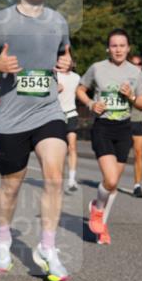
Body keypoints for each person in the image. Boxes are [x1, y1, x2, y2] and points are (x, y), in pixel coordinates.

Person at [0, 0, 73, 281]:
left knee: (54, 174)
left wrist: (66, 62)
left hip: (48, 110)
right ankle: (3, 240)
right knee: (11, 186)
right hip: (13, 116)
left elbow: (64, 55)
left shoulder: (58, 21)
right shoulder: (1, 20)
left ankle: (48, 247)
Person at [76, 29, 142, 245]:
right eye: (114, 46)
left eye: (122, 46)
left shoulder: (135, 73)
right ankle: (97, 209)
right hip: (103, 128)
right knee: (110, 179)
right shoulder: (97, 68)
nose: (118, 49)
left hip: (124, 129)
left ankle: (102, 228)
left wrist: (132, 96)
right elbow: (80, 89)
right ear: (109, 48)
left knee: (113, 185)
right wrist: (90, 104)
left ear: (128, 48)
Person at [56, 62, 81, 191]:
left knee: (72, 146)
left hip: (71, 113)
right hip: (56, 115)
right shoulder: (54, 75)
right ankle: (58, 178)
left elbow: (81, 92)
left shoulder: (77, 77)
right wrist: (55, 88)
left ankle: (71, 180)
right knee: (59, 149)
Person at [128, 54, 142, 198]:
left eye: (139, 64)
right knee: (119, 155)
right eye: (134, 64)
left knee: (138, 153)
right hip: (122, 119)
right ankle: (110, 181)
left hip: (138, 120)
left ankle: (137, 185)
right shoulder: (122, 80)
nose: (137, 66)